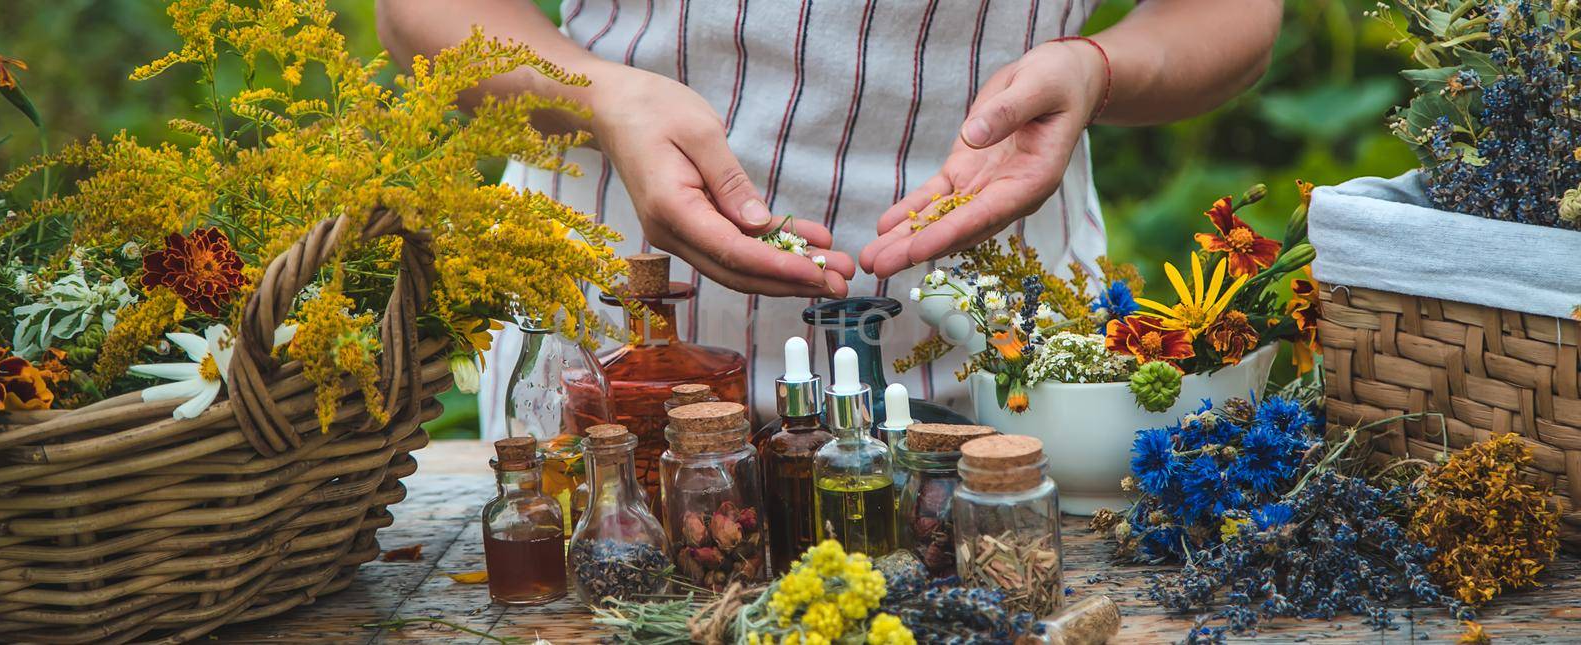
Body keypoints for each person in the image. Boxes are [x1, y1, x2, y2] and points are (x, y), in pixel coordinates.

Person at [377, 0, 1282, 429]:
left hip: (1007, 364)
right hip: (619, 362)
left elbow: (1234, 17)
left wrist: (1096, 69)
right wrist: (597, 97)